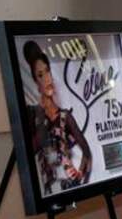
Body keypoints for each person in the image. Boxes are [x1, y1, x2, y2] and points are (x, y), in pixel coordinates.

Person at [23, 40, 92, 194]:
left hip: (68, 187)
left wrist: (79, 176)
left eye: (47, 71)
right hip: (47, 192)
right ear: (35, 81)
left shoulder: (64, 117)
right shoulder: (32, 114)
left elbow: (86, 151)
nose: (47, 79)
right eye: (40, 75)